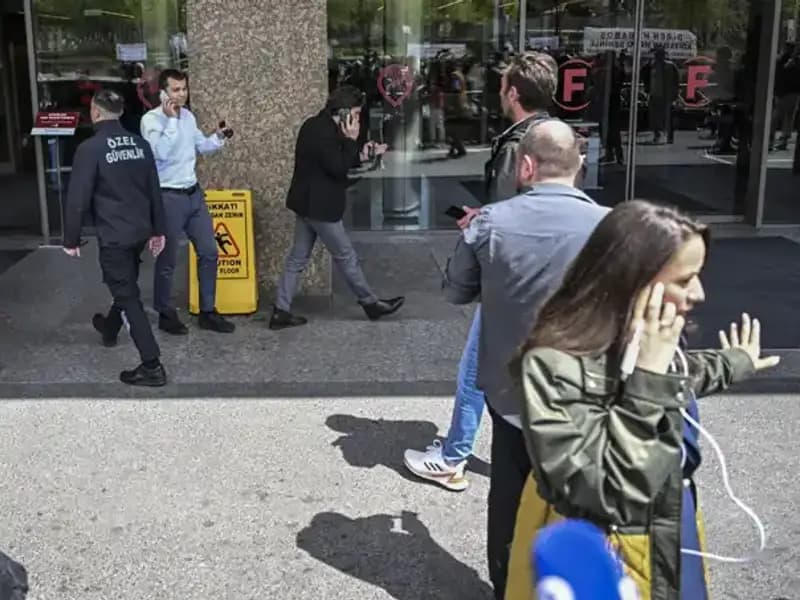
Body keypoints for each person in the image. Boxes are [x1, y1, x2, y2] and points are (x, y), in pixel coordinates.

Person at [504, 201, 779, 599]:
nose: (699, 294)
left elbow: (685, 375)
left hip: (670, 525)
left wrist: (737, 362)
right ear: (632, 282)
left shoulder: (648, 343)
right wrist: (648, 379)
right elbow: (600, 493)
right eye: (685, 280)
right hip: (610, 548)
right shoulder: (552, 364)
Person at [440, 119, 609, 598]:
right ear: (579, 168)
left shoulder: (490, 224)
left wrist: (470, 237)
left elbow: (456, 291)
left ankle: (506, 585)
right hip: (584, 403)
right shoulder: (615, 227)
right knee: (578, 506)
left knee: (509, 499)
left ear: (527, 165)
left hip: (512, 397)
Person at [403, 51, 558, 492]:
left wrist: (484, 223)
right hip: (546, 272)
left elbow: (515, 215)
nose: (499, 90)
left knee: (476, 369)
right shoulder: (557, 136)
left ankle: (452, 459)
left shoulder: (519, 144)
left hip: (513, 278)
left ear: (513, 93)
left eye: (503, 84)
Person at [270, 85, 404, 329]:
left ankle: (280, 310)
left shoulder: (316, 125)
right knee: (346, 256)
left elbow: (338, 159)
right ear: (343, 113)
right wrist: (352, 140)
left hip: (307, 205)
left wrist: (364, 153)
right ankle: (370, 303)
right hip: (321, 207)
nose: (358, 118)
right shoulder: (323, 132)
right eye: (355, 113)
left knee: (297, 259)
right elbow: (337, 167)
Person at [62, 89, 168, 387]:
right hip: (138, 232)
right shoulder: (140, 144)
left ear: (95, 112)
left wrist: (71, 239)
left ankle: (152, 365)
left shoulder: (90, 149)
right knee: (124, 285)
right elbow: (154, 190)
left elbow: (77, 199)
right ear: (120, 112)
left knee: (127, 296)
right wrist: (159, 230)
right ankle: (109, 328)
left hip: (114, 236)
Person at [140, 68, 235, 335]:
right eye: (175, 90)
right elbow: (160, 153)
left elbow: (200, 146)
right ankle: (165, 312)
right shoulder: (151, 120)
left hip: (193, 194)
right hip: (168, 196)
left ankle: (208, 311)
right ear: (162, 93)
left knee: (209, 251)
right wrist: (170, 121)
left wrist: (218, 137)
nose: (181, 95)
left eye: (184, 89)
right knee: (168, 259)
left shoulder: (188, 116)